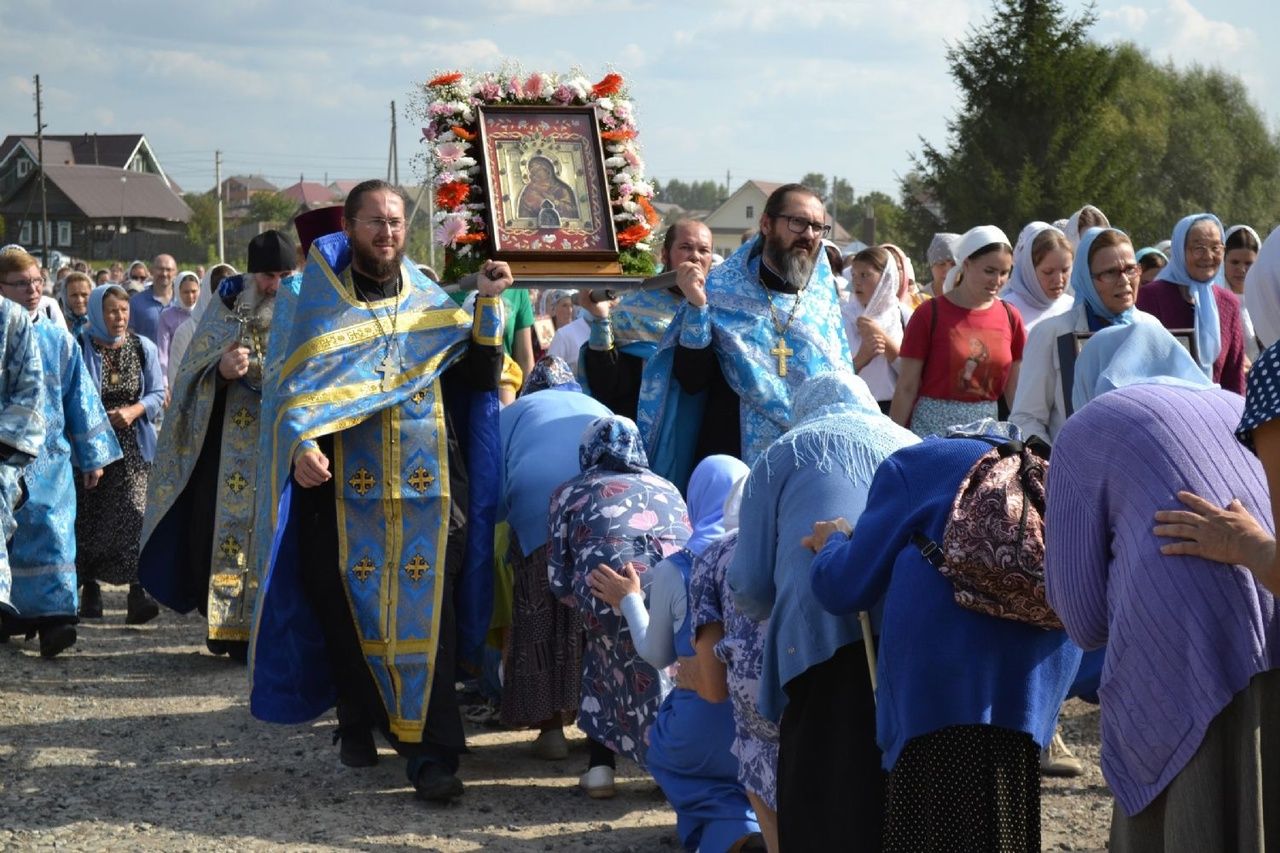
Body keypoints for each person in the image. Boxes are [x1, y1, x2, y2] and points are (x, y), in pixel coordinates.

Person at [250, 179, 507, 804]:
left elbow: (477, 376)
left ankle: (432, 755)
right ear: (351, 225)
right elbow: (288, 399)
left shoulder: (430, 304)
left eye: (395, 222)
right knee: (353, 619)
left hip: (429, 493)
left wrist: (489, 304)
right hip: (343, 499)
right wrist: (299, 447)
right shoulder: (315, 305)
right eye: (374, 222)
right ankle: (358, 717)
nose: (386, 233)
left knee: (432, 626)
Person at [1047, 323, 1279, 850]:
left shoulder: (1088, 425)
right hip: (1274, 611)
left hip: (1182, 650)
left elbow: (1082, 620)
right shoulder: (1233, 401)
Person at [806, 419, 1081, 852]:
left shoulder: (918, 463)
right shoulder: (1049, 467)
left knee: (930, 832)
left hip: (939, 699)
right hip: (1032, 696)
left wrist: (833, 544)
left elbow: (844, 586)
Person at [727, 372, 917, 851]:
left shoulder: (780, 454)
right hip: (914, 626)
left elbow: (749, 583)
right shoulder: (910, 442)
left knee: (825, 786)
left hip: (816, 633)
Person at [588, 454, 762, 853]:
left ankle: (730, 839)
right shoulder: (764, 560)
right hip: (762, 718)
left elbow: (655, 652)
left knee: (688, 771)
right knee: (745, 785)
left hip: (698, 725)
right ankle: (743, 834)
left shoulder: (680, 567)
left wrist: (629, 601)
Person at [138, 231, 295, 662]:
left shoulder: (301, 312)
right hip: (228, 448)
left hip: (284, 445)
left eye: (284, 275)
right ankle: (228, 629)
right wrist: (221, 371)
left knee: (276, 532)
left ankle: (271, 629)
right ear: (251, 273)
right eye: (267, 275)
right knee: (222, 533)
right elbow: (189, 377)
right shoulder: (225, 311)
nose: (275, 285)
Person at [639, 185, 853, 488]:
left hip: (806, 465)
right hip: (732, 459)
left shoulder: (822, 305)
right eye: (798, 222)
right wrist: (698, 308)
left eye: (818, 226)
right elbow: (691, 380)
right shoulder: (717, 292)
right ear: (766, 224)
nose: (809, 234)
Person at [547, 415, 691, 798]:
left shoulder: (568, 492)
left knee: (602, 659)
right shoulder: (670, 488)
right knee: (665, 672)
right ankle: (667, 766)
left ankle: (600, 769)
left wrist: (582, 601)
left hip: (601, 592)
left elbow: (558, 576)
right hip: (671, 595)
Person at [0, 250, 119, 657]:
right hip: (5, 459)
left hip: (50, 460)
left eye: (37, 282)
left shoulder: (57, 338)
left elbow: (80, 398)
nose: (33, 291)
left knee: (53, 531)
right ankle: (9, 616)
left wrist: (93, 455)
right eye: (21, 284)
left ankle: (57, 620)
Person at [497, 356, 609, 758]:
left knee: (538, 611)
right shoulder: (596, 406)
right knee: (594, 622)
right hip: (600, 513)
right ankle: (600, 734)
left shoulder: (519, 410)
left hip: (537, 511)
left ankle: (551, 732)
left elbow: (491, 475)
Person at [689, 477, 779, 852]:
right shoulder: (820, 542)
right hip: (832, 694)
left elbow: (712, 687)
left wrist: (682, 675)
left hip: (759, 712)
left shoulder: (714, 555)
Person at [1011, 227, 1162, 443]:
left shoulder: (1151, 328)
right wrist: (1054, 466)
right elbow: (1026, 418)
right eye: (1110, 272)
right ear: (1086, 278)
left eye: (1130, 269)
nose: (1125, 281)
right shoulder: (1052, 333)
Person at [74, 284, 165, 624]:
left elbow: (158, 392)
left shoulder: (144, 348)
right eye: (112, 311)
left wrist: (135, 410)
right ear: (98, 312)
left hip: (133, 447)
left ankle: (137, 593)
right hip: (91, 445)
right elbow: (74, 396)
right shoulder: (80, 346)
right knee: (90, 517)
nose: (119, 317)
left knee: (134, 513)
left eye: (124, 311)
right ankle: (90, 590)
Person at [890, 225, 1024, 437]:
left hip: (986, 435)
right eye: (989, 271)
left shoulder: (1010, 316)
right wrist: (892, 441)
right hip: (932, 432)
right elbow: (907, 386)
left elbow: (1014, 388)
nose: (997, 281)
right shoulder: (929, 313)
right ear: (967, 265)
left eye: (1004, 273)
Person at [581, 220, 709, 419]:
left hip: (700, 430)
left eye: (704, 250)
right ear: (665, 254)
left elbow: (698, 380)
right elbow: (606, 383)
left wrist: (697, 306)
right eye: (685, 247)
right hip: (641, 425)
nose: (695, 256)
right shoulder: (632, 309)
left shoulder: (722, 307)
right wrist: (601, 318)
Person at [1137, 213, 1246, 393]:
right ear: (1180, 250)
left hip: (1216, 413)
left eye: (1216, 247)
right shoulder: (1150, 297)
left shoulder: (1228, 303)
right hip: (1165, 409)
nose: (1208, 256)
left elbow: (1233, 376)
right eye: (1198, 248)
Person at [842, 245, 910, 411]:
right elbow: (834, 375)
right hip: (852, 407)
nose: (856, 282)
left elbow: (913, 376)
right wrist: (861, 358)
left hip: (892, 409)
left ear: (885, 278)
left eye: (865, 275)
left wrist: (883, 339)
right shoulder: (842, 316)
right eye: (854, 275)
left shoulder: (903, 315)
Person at [165, 263, 236, 388]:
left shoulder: (244, 325)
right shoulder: (186, 331)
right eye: (220, 290)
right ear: (208, 292)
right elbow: (177, 381)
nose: (228, 296)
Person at [1000, 221, 1073, 331]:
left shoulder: (1073, 307)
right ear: (1029, 271)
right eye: (1048, 272)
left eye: (1065, 270)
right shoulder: (1007, 309)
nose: (1059, 280)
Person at [1223, 224, 1261, 361]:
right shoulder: (1214, 302)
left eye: (1248, 263)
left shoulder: (1266, 301)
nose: (1242, 269)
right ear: (1223, 260)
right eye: (1235, 262)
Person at [154, 270, 201, 377]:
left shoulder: (206, 313)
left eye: (194, 291)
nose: (190, 296)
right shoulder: (167, 316)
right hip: (175, 373)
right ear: (177, 291)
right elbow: (163, 352)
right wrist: (164, 381)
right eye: (186, 292)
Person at [128, 254, 176, 343]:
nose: (164, 273)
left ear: (175, 272)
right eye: (160, 269)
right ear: (151, 270)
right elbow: (129, 339)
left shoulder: (182, 303)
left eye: (168, 270)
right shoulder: (135, 302)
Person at [517, 156, 579, 220]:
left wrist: (554, 201)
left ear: (547, 172)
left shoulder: (560, 190)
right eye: (532, 173)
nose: (534, 175)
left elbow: (571, 211)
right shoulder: (529, 190)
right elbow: (523, 213)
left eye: (538, 170)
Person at [544, 291, 590, 370]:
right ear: (554, 308)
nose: (569, 310)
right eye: (564, 306)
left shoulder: (578, 331)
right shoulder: (544, 329)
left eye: (571, 306)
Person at [925, 232, 959, 298]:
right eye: (941, 264)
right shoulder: (918, 301)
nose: (948, 270)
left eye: (954, 264)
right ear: (932, 266)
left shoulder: (974, 299)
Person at [59, 271, 93, 337]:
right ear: (65, 297)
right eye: (74, 295)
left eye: (84, 295)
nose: (79, 300)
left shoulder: (101, 326)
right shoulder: (58, 325)